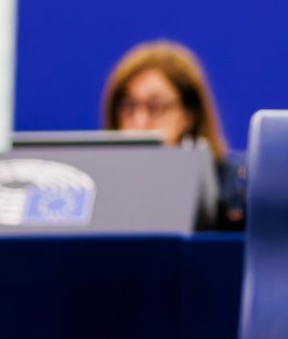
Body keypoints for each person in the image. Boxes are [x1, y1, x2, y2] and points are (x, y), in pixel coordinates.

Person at [102, 40, 246, 229]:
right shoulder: (101, 191)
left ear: (190, 114)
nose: (139, 121)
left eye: (155, 107)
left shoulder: (235, 188)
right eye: (128, 107)